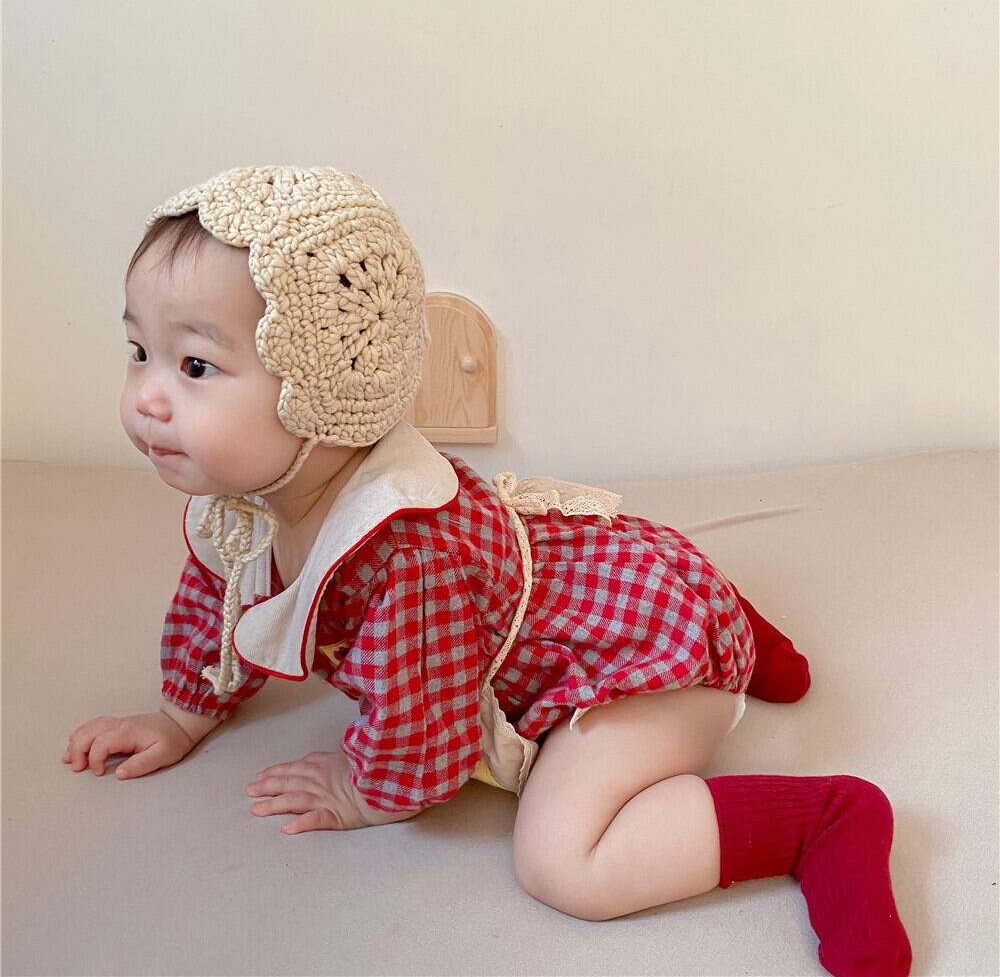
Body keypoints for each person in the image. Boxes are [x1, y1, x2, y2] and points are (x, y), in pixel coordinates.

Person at [62, 166, 910, 976]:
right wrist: (181, 716)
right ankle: (734, 625)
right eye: (138, 351)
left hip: (623, 670)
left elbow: (422, 717)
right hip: (605, 582)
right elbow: (222, 602)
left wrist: (364, 791)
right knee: (621, 577)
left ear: (321, 396)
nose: (147, 398)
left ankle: (820, 819)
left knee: (565, 864)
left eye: (195, 366)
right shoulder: (246, 503)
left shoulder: (404, 551)